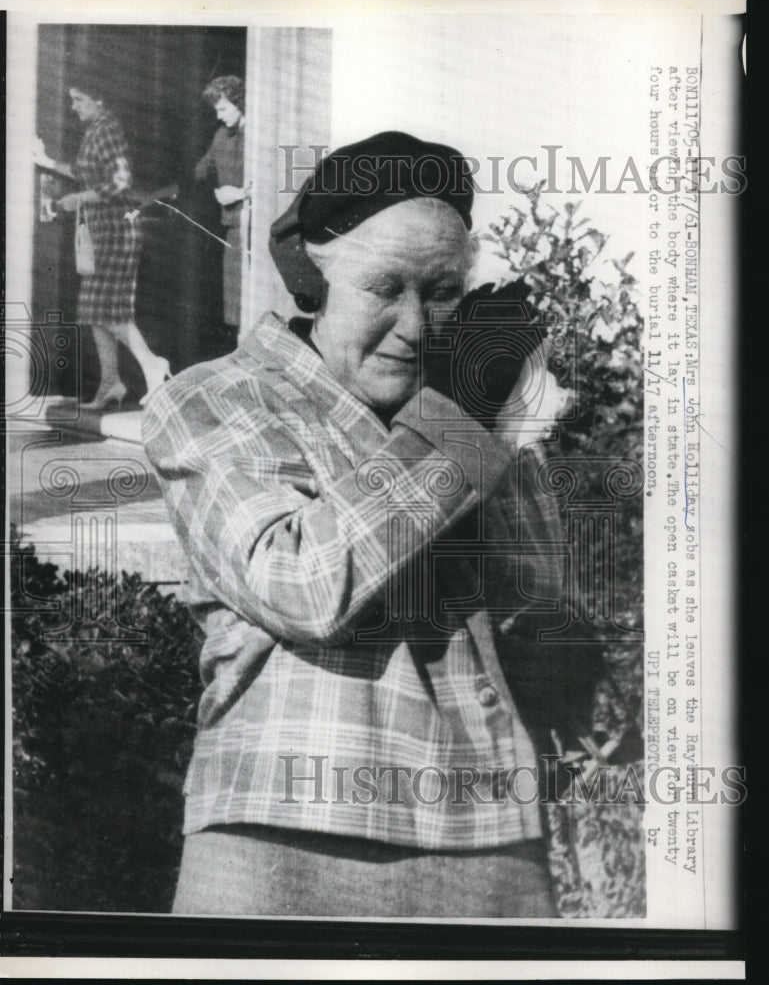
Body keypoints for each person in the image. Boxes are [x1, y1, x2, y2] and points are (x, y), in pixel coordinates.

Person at [143, 132, 585, 919]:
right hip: (282, 829)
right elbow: (301, 582)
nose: (416, 324)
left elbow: (535, 600)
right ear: (313, 278)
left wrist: (512, 422)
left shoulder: (456, 407)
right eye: (385, 287)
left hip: (486, 832)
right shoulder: (218, 397)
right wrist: (456, 422)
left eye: (441, 291)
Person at [35, 79, 170, 408]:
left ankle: (152, 363)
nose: (74, 107)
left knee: (108, 309)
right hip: (101, 232)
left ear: (99, 99)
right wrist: (46, 161)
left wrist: (79, 197)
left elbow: (120, 184)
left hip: (116, 232)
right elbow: (83, 173)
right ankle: (111, 382)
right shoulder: (95, 131)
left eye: (80, 99)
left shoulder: (108, 130)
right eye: (73, 100)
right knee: (96, 309)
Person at [193, 75, 247, 346]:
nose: (218, 115)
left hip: (257, 224)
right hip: (234, 229)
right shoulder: (221, 136)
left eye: (223, 108)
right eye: (216, 109)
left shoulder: (258, 135)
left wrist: (242, 193)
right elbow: (201, 171)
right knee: (236, 309)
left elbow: (276, 180)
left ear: (240, 104)